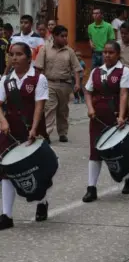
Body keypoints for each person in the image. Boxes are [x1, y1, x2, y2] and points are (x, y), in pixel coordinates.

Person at [0, 42, 49, 229]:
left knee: (34, 169)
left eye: (19, 54)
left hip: (31, 127)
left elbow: (39, 106)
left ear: (29, 58)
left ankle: (41, 202)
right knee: (6, 170)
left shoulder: (38, 78)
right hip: (10, 129)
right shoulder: (6, 80)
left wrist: (34, 129)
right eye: (12, 54)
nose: (14, 58)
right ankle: (6, 215)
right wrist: (3, 121)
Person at [82, 40, 129, 203]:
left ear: (118, 54)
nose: (107, 55)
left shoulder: (124, 71)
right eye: (105, 52)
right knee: (95, 151)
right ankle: (91, 188)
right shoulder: (96, 71)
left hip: (115, 115)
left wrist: (121, 116)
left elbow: (124, 94)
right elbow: (88, 92)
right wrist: (90, 108)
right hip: (98, 117)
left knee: (118, 151)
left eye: (110, 52)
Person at [34, 25, 83, 143]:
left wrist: (77, 83)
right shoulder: (45, 49)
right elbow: (38, 68)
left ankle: (63, 133)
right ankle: (46, 133)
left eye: (66, 36)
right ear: (54, 36)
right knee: (49, 108)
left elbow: (76, 68)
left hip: (65, 84)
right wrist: (36, 83)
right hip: (49, 83)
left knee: (63, 110)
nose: (65, 38)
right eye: (62, 36)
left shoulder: (70, 51)